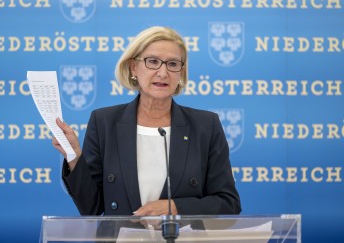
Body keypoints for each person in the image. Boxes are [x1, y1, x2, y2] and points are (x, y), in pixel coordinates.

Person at [52, 26, 241, 217]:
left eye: (173, 64)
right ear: (134, 67)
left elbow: (228, 202)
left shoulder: (206, 125)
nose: (163, 72)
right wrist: (74, 157)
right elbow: (91, 207)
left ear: (181, 73)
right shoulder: (104, 122)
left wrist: (174, 208)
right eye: (153, 62)